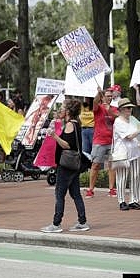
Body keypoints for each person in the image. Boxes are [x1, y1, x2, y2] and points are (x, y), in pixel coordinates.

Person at [41, 99, 90, 233]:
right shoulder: (76, 123)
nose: (60, 110)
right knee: (75, 194)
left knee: (59, 194)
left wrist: (54, 136)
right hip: (74, 164)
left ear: (68, 111)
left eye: (62, 108)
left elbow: (67, 145)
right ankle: (82, 221)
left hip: (67, 165)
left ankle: (56, 224)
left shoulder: (70, 125)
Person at [110, 98, 140, 211]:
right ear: (121, 109)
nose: (130, 110)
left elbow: (139, 127)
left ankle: (134, 200)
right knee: (122, 177)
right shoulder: (118, 121)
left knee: (137, 176)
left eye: (131, 108)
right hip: (122, 154)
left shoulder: (133, 119)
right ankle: (122, 200)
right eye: (128, 108)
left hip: (136, 152)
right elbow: (129, 136)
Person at [87, 87, 118, 198]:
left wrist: (108, 107)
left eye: (111, 96)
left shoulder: (114, 108)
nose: (109, 98)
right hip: (99, 140)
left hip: (112, 141)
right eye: (107, 96)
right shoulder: (98, 108)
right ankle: (90, 189)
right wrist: (98, 94)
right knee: (95, 165)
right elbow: (94, 102)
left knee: (112, 165)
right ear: (103, 96)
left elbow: (115, 117)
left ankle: (111, 189)